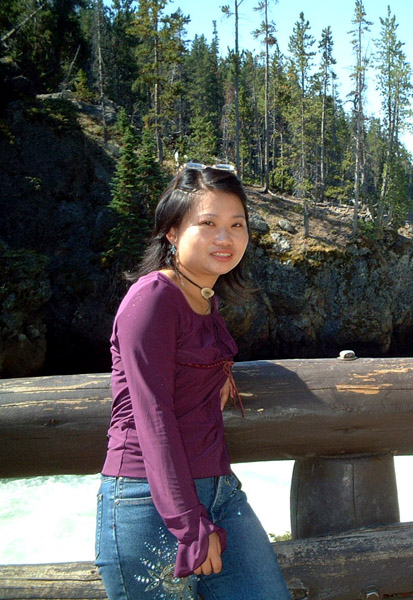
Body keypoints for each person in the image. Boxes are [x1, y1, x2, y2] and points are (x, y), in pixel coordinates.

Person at [95, 163, 291, 600]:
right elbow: (153, 419)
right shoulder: (152, 299)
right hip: (148, 500)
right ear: (172, 231)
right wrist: (189, 524)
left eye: (237, 225)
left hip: (218, 491)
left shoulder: (205, 298)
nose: (226, 238)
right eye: (208, 223)